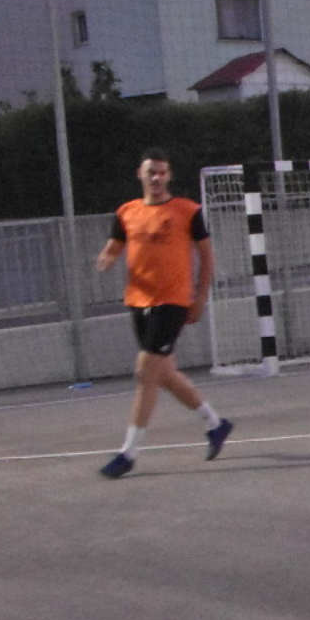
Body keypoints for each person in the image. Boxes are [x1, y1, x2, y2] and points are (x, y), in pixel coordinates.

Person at [94, 149, 235, 478]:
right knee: (164, 375)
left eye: (162, 172)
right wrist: (107, 258)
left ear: (169, 175)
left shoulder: (187, 211)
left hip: (172, 301)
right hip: (138, 301)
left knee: (145, 372)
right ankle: (216, 424)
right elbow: (114, 247)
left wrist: (200, 297)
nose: (156, 178)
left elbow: (206, 256)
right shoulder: (126, 212)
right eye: (151, 172)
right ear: (140, 175)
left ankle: (128, 453)